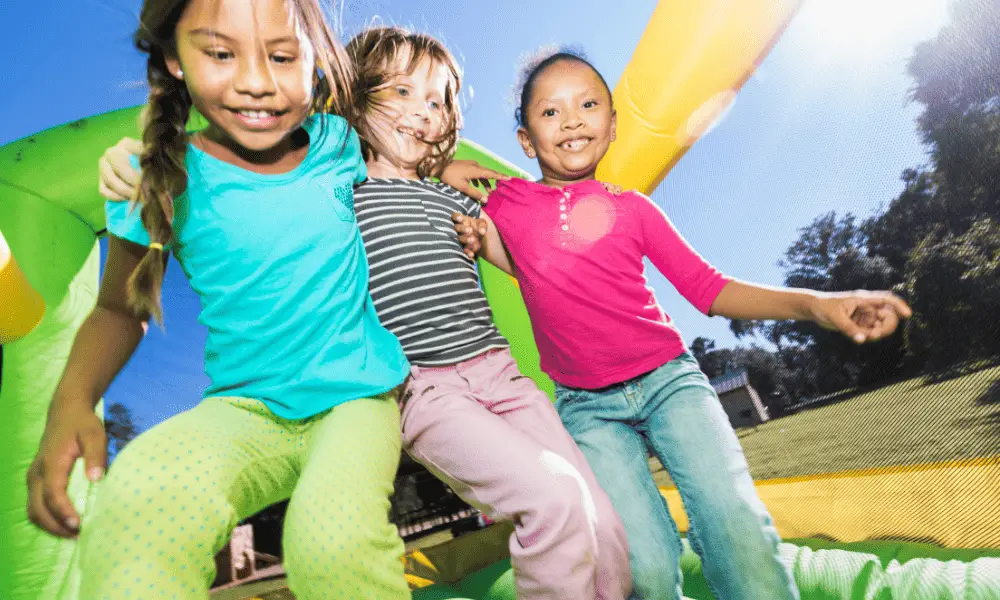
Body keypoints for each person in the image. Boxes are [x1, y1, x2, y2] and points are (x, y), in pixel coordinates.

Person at [97, 26, 633, 600]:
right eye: (402, 93)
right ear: (356, 96)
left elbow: (530, 259)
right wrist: (132, 158)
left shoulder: (450, 194)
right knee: (551, 500)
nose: (421, 113)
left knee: (597, 515)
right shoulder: (337, 184)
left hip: (501, 372)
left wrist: (477, 202)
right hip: (426, 388)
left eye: (435, 100)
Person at [455, 49, 913, 600]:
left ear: (613, 125)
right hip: (587, 407)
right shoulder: (506, 202)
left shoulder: (635, 210)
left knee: (733, 522)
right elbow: (429, 160)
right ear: (526, 141)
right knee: (641, 566)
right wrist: (477, 228)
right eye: (550, 113)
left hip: (669, 382)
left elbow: (711, 291)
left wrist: (816, 303)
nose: (572, 119)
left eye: (588, 104)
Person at [27, 0, 411, 597]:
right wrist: (72, 401)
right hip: (244, 410)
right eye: (219, 53)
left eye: (281, 56)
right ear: (174, 60)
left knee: (333, 545)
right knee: (136, 501)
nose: (256, 82)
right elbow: (116, 307)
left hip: (355, 400)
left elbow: (412, 168)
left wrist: (454, 167)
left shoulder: (338, 144)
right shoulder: (156, 176)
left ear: (313, 60)